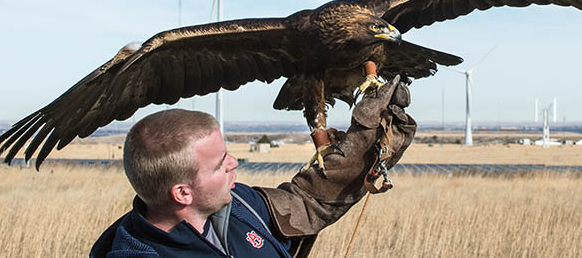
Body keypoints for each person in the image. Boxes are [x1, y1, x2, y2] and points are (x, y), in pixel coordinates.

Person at [90, 76, 416, 258]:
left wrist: (368, 141)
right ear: (182, 193)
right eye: (220, 164)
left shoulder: (240, 204)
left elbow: (310, 201)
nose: (234, 163)